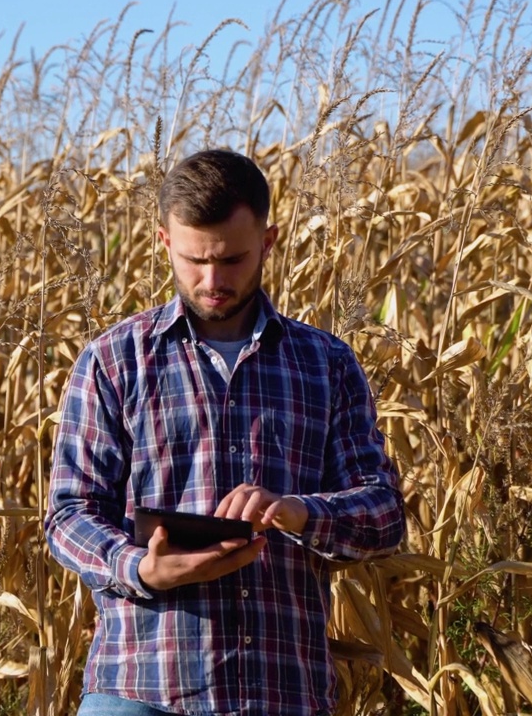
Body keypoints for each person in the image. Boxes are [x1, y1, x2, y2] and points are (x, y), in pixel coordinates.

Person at [45, 149, 406, 715]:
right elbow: (68, 514)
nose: (212, 280)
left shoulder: (325, 364)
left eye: (233, 259)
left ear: (269, 241)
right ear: (164, 243)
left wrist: (298, 511)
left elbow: (384, 514)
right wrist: (138, 567)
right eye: (194, 260)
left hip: (279, 688)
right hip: (142, 686)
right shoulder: (113, 362)